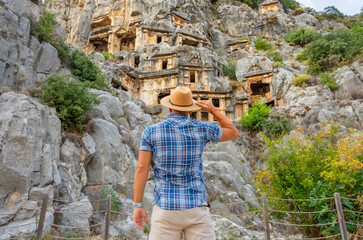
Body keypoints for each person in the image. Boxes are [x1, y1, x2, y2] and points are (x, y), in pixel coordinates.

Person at [133, 86, 239, 239]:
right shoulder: (201, 128)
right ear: (190, 111)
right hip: (196, 207)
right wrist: (213, 110)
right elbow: (233, 132)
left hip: (165, 208)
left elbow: (141, 168)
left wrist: (138, 205)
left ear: (170, 109)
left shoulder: (150, 131)